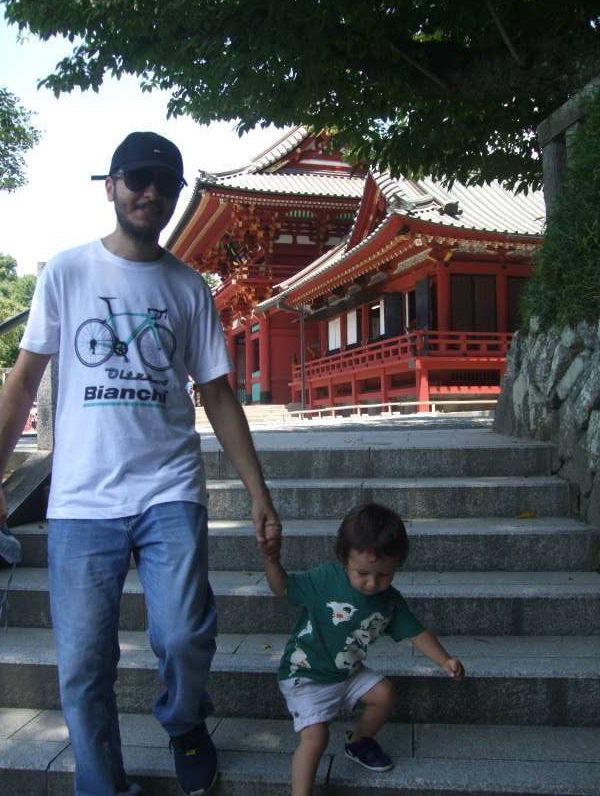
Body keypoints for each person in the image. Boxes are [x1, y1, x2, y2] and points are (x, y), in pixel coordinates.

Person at [0, 131, 281, 796]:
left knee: (184, 634)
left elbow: (216, 392)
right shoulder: (66, 272)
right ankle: (102, 785)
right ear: (112, 186)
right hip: (80, 502)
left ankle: (185, 722)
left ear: (176, 193)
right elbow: (21, 381)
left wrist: (258, 492)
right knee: (83, 665)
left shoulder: (188, 289)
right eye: (137, 178)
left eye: (164, 181)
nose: (149, 191)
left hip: (169, 491)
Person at [263, 502, 464, 796]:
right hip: (306, 675)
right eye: (362, 573)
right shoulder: (325, 579)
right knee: (315, 738)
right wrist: (271, 560)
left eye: (384, 575)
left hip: (347, 673)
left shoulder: (390, 600)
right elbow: (282, 588)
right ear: (344, 559)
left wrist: (444, 660)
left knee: (384, 694)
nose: (372, 583)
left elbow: (417, 632)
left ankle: (358, 742)